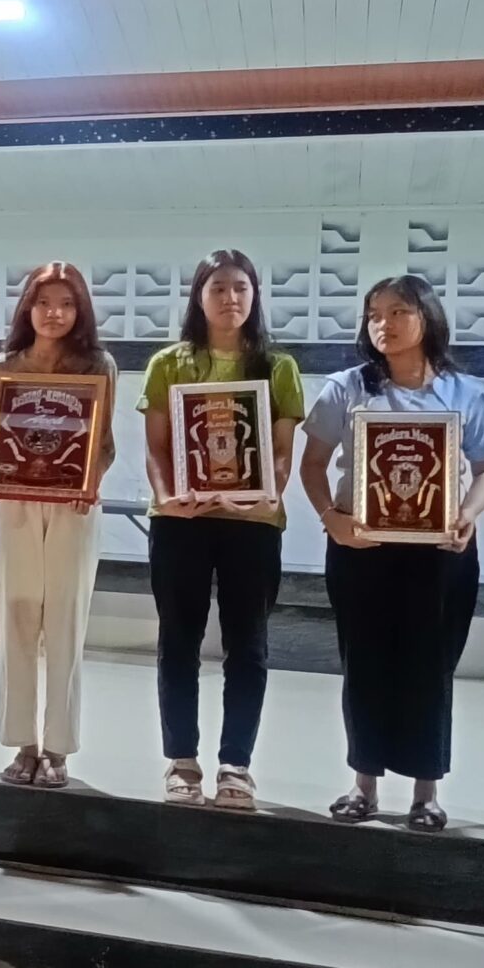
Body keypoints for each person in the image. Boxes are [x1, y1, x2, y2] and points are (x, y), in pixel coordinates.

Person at [300, 276, 484, 832]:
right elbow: (312, 465)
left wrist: (467, 513)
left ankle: (425, 792)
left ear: (426, 317)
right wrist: (331, 518)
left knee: (429, 667)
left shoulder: (463, 394)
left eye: (397, 312)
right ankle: (363, 784)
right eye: (373, 314)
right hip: (360, 548)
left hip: (439, 553)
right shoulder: (346, 388)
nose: (382, 324)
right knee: (363, 663)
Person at [139, 249, 304, 811]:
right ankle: (181, 761)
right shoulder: (168, 364)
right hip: (180, 523)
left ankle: (236, 765)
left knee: (248, 647)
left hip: (252, 524)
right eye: (218, 288)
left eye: (240, 288)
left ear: (255, 296)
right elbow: (156, 449)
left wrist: (262, 493)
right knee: (177, 642)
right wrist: (168, 496)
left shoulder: (277, 367)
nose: (230, 298)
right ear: (198, 296)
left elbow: (281, 453)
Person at [0, 263, 117, 789]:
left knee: (65, 619)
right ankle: (23, 743)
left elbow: (104, 444)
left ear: (80, 310)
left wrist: (88, 481)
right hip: (12, 503)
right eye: (43, 303)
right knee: (15, 616)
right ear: (27, 309)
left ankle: (57, 748)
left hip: (73, 507)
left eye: (65, 303)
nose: (53, 313)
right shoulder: (3, 366)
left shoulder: (98, 365)